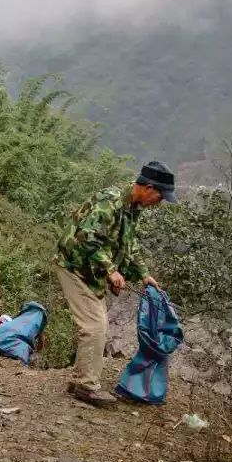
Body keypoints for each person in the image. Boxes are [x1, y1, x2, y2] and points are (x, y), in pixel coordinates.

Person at [55, 160, 177, 408]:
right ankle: (85, 387)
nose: (159, 203)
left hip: (91, 272)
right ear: (149, 188)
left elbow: (129, 247)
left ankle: (81, 379)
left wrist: (144, 275)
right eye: (160, 197)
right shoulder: (109, 201)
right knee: (95, 326)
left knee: (97, 325)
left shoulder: (133, 209)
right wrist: (111, 270)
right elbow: (86, 237)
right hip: (74, 267)